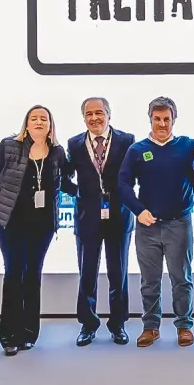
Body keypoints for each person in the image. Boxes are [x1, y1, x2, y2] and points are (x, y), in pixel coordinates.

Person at [0, 105, 74, 355]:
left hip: (42, 225)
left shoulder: (57, 152)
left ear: (50, 125)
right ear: (26, 123)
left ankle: (29, 333)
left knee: (33, 274)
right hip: (9, 221)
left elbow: (64, 181)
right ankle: (9, 336)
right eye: (34, 118)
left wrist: (89, 193)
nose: (39, 122)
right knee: (14, 273)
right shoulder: (9, 146)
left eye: (44, 118)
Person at [118, 96, 194, 348]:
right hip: (147, 226)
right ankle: (150, 327)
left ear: (174, 120)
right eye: (157, 119)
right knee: (149, 280)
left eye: (166, 119)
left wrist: (185, 200)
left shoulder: (187, 146)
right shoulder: (137, 150)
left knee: (181, 278)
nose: (162, 124)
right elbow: (123, 184)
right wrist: (138, 210)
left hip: (179, 224)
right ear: (150, 119)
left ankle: (184, 326)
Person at [66, 97, 136, 346]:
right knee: (87, 274)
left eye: (99, 113)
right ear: (83, 117)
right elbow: (64, 177)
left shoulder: (126, 140)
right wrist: (81, 194)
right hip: (87, 218)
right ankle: (88, 324)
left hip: (119, 216)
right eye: (89, 114)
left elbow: (132, 175)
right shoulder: (74, 144)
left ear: (109, 114)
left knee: (118, 273)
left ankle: (118, 324)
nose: (94, 118)